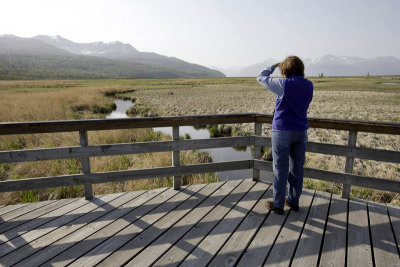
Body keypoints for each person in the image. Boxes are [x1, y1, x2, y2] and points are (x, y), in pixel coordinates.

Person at [257, 56, 313, 214]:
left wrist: (272, 66)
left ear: (285, 70)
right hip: (301, 132)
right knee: (297, 169)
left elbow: (261, 77)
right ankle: (293, 201)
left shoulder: (284, 84)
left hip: (282, 131)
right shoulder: (309, 85)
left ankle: (278, 204)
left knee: (280, 169)